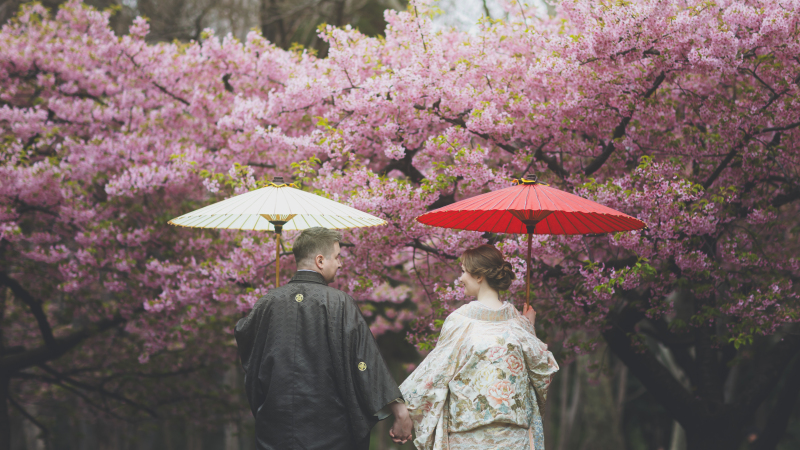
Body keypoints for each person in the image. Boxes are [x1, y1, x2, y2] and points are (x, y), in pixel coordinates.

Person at [234, 227, 413, 449]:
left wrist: (272, 303)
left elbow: (245, 337)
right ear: (320, 260)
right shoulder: (340, 302)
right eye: (337, 257)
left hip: (276, 429)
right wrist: (400, 411)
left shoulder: (267, 302)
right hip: (330, 431)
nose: (340, 264)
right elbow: (364, 361)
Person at [400, 244, 559, 450]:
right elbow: (542, 371)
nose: (460, 278)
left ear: (479, 276)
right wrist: (529, 330)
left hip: (472, 436)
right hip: (509, 437)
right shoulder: (516, 324)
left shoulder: (462, 321)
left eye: (464, 271)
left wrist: (402, 409)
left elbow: (436, 371)